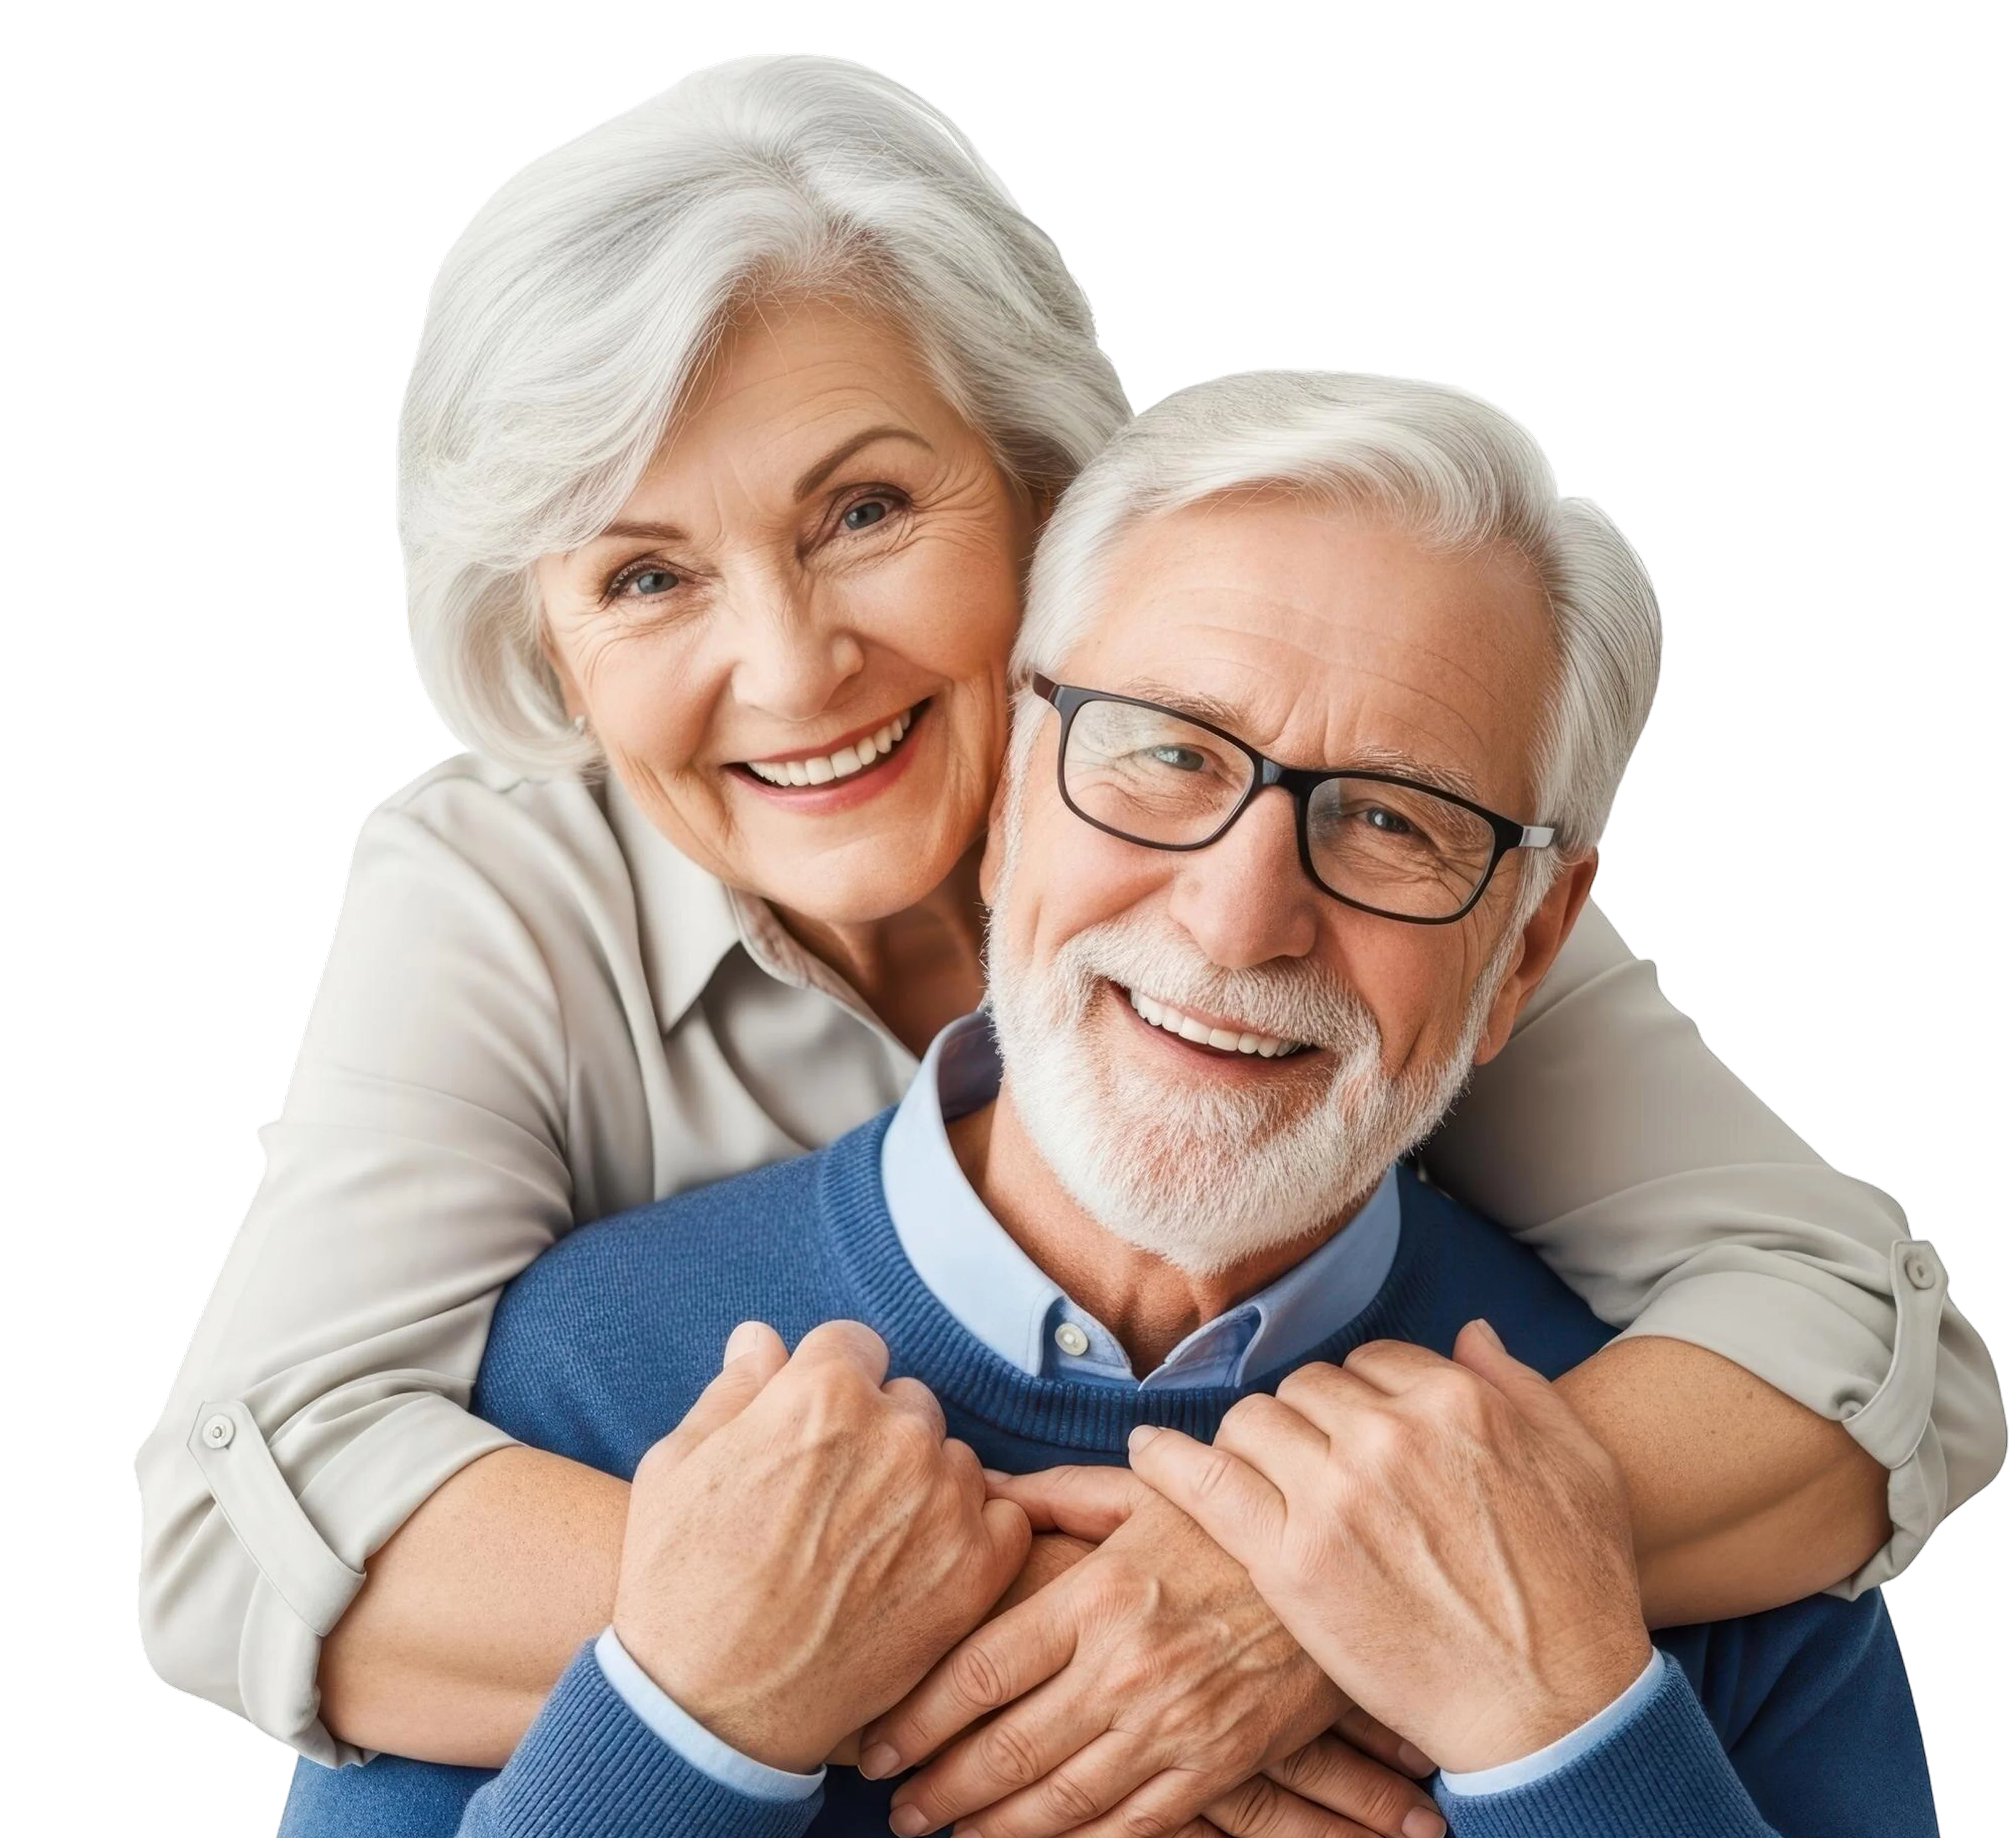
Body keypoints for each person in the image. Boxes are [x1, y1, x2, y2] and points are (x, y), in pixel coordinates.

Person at [135, 53, 2001, 1778]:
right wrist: (1010, 1629)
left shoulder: (1367, 879)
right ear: (546, 643)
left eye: (863, 508)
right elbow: (243, 1532)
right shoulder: (500, 905)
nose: (789, 666)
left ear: (1042, 485)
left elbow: (1857, 1343)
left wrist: (1302, 1587)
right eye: (645, 572)